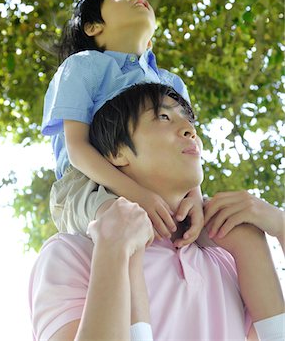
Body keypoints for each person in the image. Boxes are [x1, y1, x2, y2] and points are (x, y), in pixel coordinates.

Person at [30, 83, 285, 341]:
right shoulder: (72, 254)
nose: (190, 130)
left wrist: (281, 226)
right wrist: (113, 252)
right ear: (118, 151)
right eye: (163, 117)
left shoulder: (229, 260)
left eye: (188, 120)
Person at [42, 0, 203, 247]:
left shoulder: (172, 84)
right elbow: (76, 149)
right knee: (120, 222)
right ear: (94, 27)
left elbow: (190, 144)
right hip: (89, 181)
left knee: (231, 224)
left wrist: (194, 196)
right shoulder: (82, 66)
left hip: (163, 182)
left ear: (150, 40)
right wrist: (137, 195)